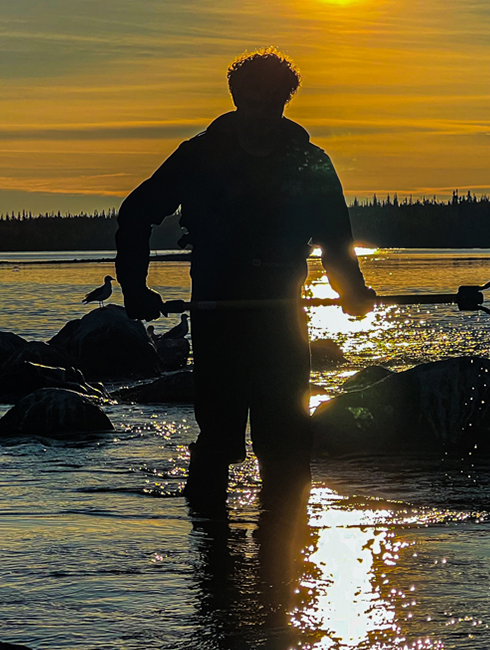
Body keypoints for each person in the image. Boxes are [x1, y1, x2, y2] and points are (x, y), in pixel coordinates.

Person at [115, 48, 375, 514]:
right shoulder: (198, 157)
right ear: (236, 99)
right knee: (218, 435)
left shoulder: (309, 163)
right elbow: (135, 214)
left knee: (288, 439)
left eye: (272, 102)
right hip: (217, 316)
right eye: (252, 102)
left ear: (285, 101)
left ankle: (287, 553)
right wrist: (135, 288)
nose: (261, 113)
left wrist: (349, 290)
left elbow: (337, 239)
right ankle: (210, 552)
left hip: (282, 318)